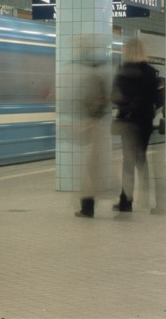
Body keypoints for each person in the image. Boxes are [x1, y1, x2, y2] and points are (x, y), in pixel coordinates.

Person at [111, 36, 166, 214]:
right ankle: (147, 197)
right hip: (144, 122)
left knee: (127, 162)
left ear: (127, 52)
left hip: (127, 121)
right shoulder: (151, 72)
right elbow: (156, 99)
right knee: (141, 160)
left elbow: (115, 97)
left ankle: (125, 202)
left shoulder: (122, 71)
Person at [67, 34, 111, 218]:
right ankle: (88, 206)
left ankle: (88, 207)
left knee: (91, 169)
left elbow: (98, 102)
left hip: (94, 127)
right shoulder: (98, 71)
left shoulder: (93, 74)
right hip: (95, 126)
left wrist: (87, 124)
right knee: (92, 169)